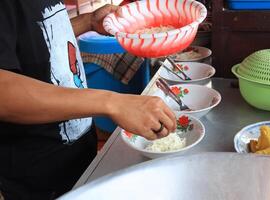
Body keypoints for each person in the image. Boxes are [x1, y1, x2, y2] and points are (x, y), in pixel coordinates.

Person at [0, 1, 176, 199]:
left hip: (79, 156)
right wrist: (112, 102)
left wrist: (89, 21)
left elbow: (35, 33)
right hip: (39, 178)